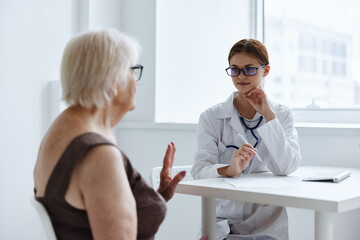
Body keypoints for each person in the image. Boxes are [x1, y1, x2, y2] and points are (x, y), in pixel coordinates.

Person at [33, 28, 188, 240]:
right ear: (113, 82)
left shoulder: (62, 128)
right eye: (133, 71)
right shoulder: (98, 155)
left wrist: (157, 197)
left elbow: (83, 216)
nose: (137, 81)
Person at [191, 39, 302, 240]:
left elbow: (286, 167)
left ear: (266, 70)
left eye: (249, 69)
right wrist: (229, 169)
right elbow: (199, 170)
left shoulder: (282, 115)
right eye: (235, 69)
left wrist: (268, 114)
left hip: (266, 225)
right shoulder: (211, 117)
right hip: (220, 224)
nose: (241, 76)